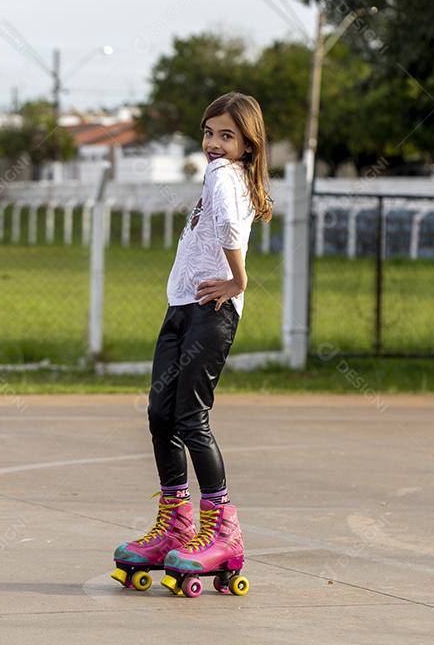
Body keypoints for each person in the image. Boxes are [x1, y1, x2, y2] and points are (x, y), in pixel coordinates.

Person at [110, 92, 273, 597]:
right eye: (208, 133)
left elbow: (226, 226)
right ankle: (176, 524)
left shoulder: (223, 175)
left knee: (188, 420)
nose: (214, 143)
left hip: (210, 312)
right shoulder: (227, 175)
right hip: (183, 306)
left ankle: (223, 531)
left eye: (227, 135)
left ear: (248, 143)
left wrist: (238, 280)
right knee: (161, 415)